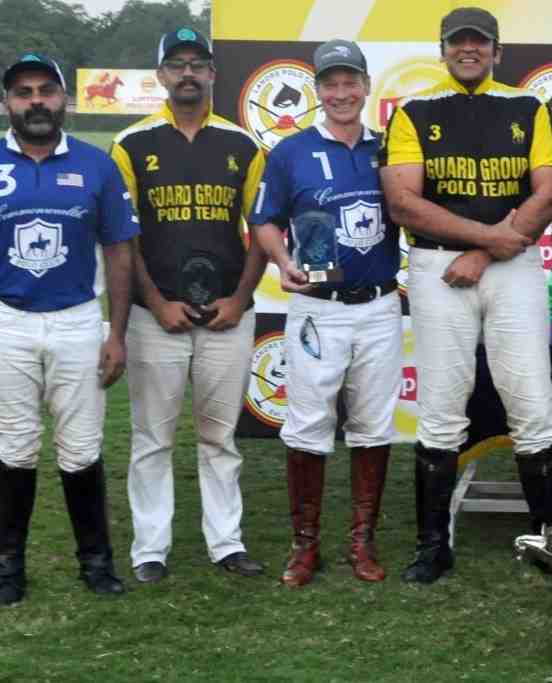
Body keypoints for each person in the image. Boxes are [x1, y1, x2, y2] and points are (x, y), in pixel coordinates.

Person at [379, 6, 552, 584]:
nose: (469, 51)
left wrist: (486, 252)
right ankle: (433, 546)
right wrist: (489, 238)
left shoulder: (527, 106)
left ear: (496, 51)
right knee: (439, 408)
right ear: (442, 50)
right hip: (440, 268)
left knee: (532, 404)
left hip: (509, 268)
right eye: (458, 43)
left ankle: (548, 540)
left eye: (479, 43)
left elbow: (551, 192)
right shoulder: (414, 110)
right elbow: (403, 203)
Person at [111, 27, 268, 583]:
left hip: (227, 313)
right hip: (157, 315)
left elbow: (263, 228)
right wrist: (153, 301)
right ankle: (149, 548)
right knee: (153, 436)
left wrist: (242, 297)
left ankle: (226, 542)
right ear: (160, 75)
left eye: (197, 64)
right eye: (176, 64)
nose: (187, 73)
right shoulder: (131, 143)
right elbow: (122, 237)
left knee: (219, 436)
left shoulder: (243, 144)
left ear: (212, 75)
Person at [250, 41, 401, 586]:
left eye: (350, 82)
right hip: (317, 307)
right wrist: (283, 260)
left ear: (365, 85)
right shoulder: (291, 152)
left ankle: (362, 541)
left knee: (372, 423)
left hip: (380, 303)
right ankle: (304, 545)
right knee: (309, 423)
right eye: (330, 84)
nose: (341, 93)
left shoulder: (389, 148)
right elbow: (265, 219)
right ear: (317, 90)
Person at [0, 53, 136, 605]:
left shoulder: (96, 164)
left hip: (79, 319)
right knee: (14, 447)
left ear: (62, 99)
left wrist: (117, 333)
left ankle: (96, 561)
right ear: (8, 102)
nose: (35, 101)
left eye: (45, 91)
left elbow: (120, 251)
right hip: (8, 320)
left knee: (81, 450)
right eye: (23, 92)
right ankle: (9, 567)